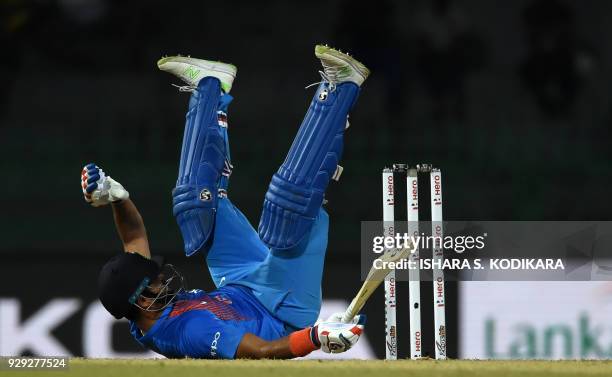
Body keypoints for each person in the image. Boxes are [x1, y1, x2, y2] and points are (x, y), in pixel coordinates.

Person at [80, 45, 369, 359]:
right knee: (287, 204)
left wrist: (117, 198)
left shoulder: (140, 307)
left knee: (194, 205)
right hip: (282, 311)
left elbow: (133, 238)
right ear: (144, 301)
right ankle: (342, 86)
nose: (164, 276)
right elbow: (262, 350)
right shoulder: (190, 332)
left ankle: (209, 86)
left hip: (238, 284)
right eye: (156, 279)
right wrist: (315, 337)